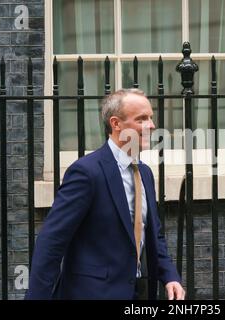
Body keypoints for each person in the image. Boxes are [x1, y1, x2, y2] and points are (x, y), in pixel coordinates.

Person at [25, 89, 185, 300]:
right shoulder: (86, 172)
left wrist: (170, 276)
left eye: (151, 118)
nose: (152, 125)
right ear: (116, 124)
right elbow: (52, 241)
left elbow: (153, 233)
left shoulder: (144, 172)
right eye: (142, 119)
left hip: (139, 292)